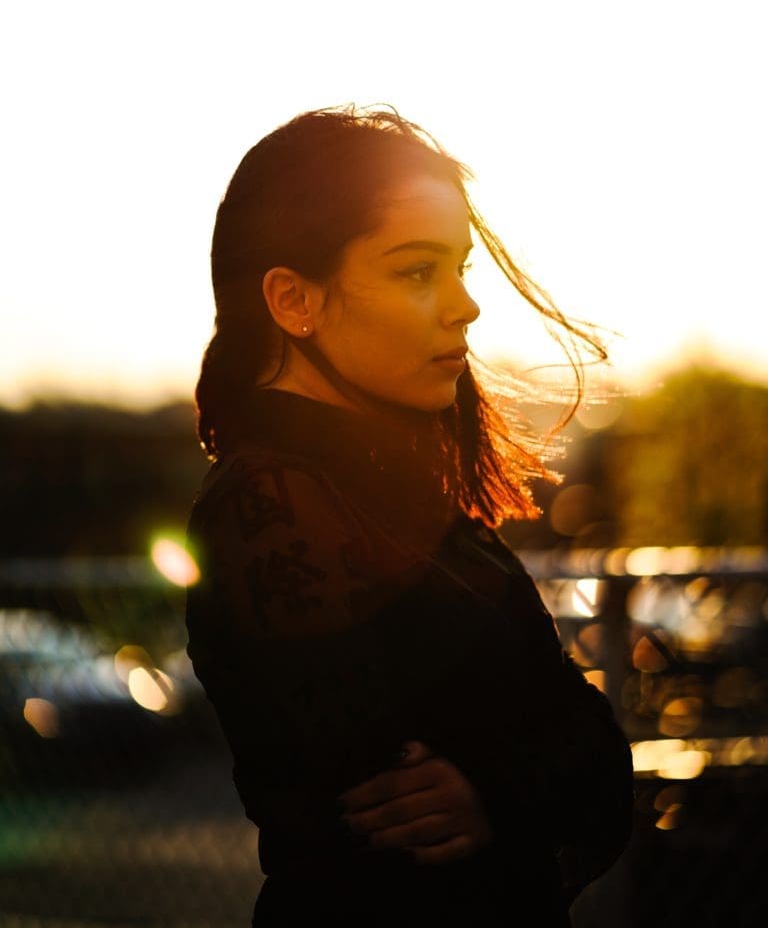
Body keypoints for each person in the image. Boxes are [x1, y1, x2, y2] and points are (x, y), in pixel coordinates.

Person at [184, 105, 635, 927]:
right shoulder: (269, 511)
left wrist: (504, 784)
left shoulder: (404, 494)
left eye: (461, 268)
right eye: (416, 271)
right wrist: (539, 773)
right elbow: (389, 822)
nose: (465, 306)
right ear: (292, 299)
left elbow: (605, 771)